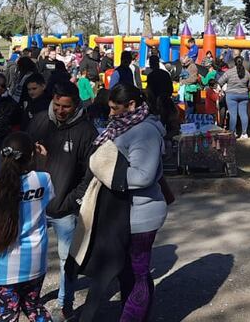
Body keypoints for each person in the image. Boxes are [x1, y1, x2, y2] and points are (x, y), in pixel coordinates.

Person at [69, 84, 167, 321]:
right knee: (129, 273)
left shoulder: (145, 131)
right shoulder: (124, 126)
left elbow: (143, 175)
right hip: (123, 214)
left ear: (131, 105)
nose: (111, 113)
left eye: (115, 108)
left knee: (137, 273)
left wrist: (106, 172)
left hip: (141, 216)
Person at [26, 82, 97, 320]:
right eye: (56, 105)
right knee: (32, 255)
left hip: (64, 209)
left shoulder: (86, 131)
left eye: (65, 106)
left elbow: (91, 173)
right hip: (34, 204)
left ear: (75, 105)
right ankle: (31, 299)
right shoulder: (38, 121)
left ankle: (65, 304)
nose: (60, 110)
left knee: (67, 259)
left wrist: (72, 201)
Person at [0, 132, 54, 322]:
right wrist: (43, 160)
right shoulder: (44, 180)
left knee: (8, 313)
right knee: (34, 306)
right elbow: (44, 189)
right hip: (36, 261)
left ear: (2, 156)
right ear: (31, 156)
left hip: (3, 267)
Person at [219, 56, 250, 139]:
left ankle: (232, 133)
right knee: (243, 114)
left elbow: (220, 81)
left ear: (234, 62)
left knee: (233, 115)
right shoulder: (247, 73)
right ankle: (244, 133)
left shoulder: (229, 72)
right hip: (244, 95)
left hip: (231, 95)